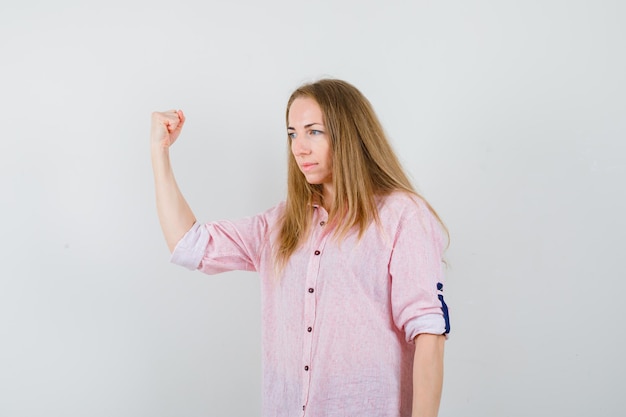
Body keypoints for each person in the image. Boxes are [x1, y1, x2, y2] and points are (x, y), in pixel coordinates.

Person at [150, 79, 450, 417]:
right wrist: (160, 154)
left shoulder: (402, 215)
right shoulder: (281, 223)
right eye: (293, 133)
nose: (299, 148)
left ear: (349, 133)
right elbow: (189, 245)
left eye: (313, 132)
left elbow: (428, 332)